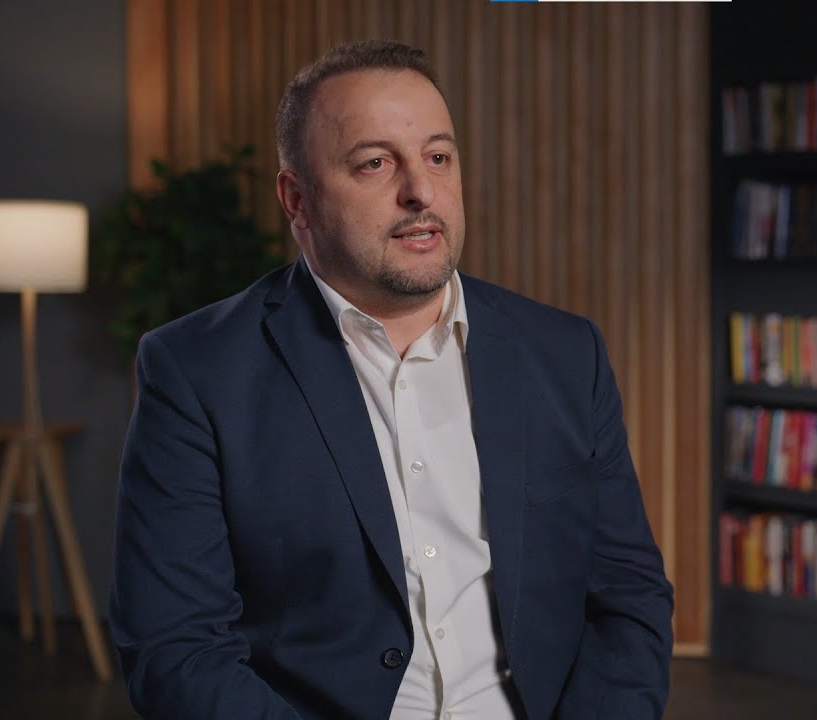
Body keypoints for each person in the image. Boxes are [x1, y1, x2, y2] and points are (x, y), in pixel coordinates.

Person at [109, 40, 674, 720]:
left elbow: (629, 597)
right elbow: (177, 652)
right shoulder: (197, 371)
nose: (420, 190)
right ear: (298, 200)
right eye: (375, 163)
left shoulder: (563, 353)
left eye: (438, 157)